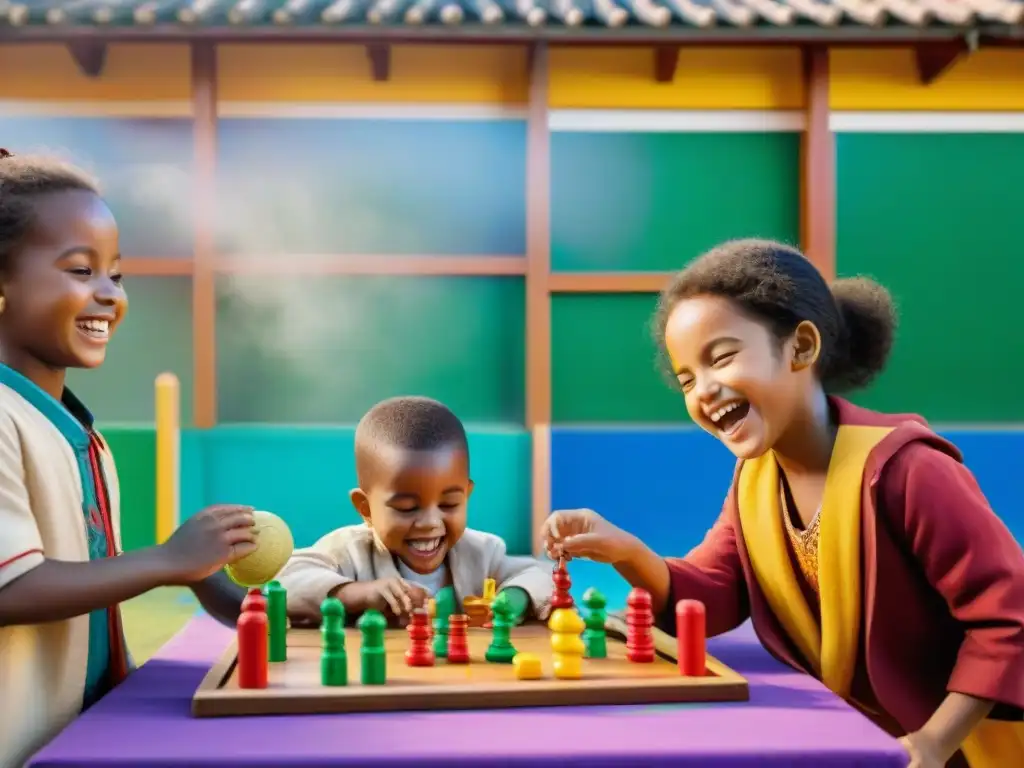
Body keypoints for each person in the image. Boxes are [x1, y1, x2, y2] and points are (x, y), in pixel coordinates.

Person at [541, 239, 1024, 768]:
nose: (703, 390)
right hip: (866, 744)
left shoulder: (909, 470)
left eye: (721, 358)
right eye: (686, 380)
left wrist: (935, 739)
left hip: (970, 749)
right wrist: (626, 551)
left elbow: (1009, 619)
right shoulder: (754, 480)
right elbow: (716, 592)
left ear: (801, 347)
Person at [0, 149, 259, 768]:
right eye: (81, 270)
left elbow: (88, 583)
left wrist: (207, 578)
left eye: (116, 274)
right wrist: (167, 561)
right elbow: (11, 587)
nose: (109, 295)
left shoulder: (76, 430)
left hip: (80, 734)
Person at [279, 395, 552, 626]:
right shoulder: (348, 552)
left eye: (449, 504)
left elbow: (543, 575)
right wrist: (354, 594)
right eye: (406, 508)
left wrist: (517, 595)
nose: (431, 523)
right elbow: (282, 580)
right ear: (366, 508)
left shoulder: (483, 553)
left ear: (466, 495)